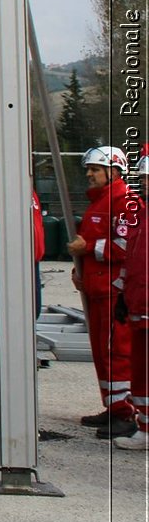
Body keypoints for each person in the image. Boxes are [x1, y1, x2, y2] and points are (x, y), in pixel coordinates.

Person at [67, 146, 142, 439]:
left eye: (95, 169)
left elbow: (127, 248)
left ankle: (125, 413)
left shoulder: (125, 203)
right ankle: (112, 407)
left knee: (117, 353)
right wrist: (80, 270)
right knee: (102, 353)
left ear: (113, 171)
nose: (89, 174)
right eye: (89, 169)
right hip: (97, 290)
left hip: (115, 292)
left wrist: (89, 250)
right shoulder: (100, 202)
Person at [0, 172, 46, 365]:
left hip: (28, 260)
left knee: (31, 309)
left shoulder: (26, 188)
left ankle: (3, 352)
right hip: (9, 260)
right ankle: (10, 356)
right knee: (19, 309)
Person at [112, 147, 149, 450]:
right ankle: (145, 427)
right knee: (141, 370)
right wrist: (123, 293)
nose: (145, 183)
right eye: (144, 178)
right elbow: (132, 259)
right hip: (139, 303)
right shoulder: (142, 215)